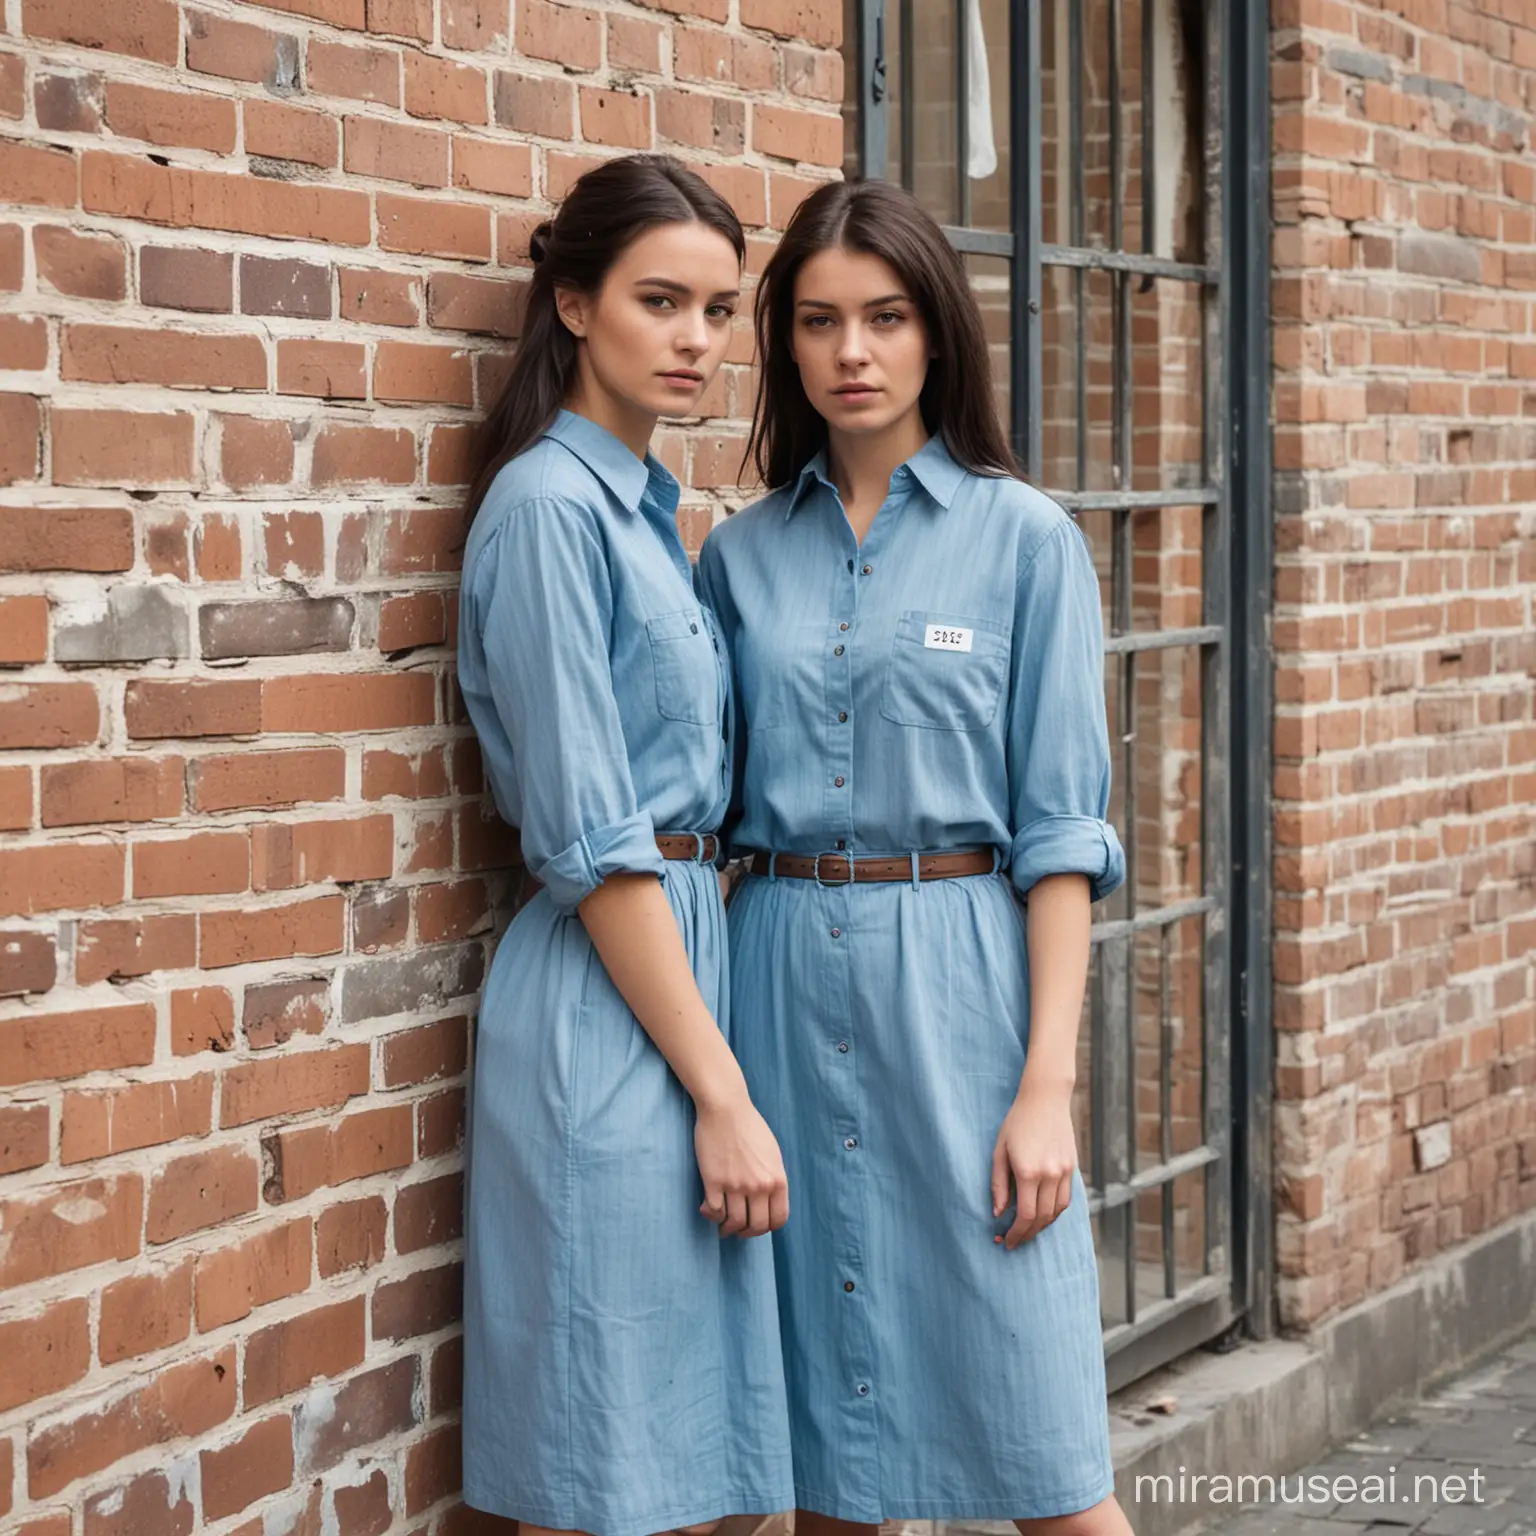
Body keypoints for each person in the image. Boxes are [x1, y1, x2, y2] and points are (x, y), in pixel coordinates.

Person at [697, 177, 1133, 1536]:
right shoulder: (735, 558)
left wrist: (1045, 1087)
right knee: (825, 1459)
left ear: (936, 330)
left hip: (958, 996)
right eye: (819, 323)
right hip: (774, 982)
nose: (853, 353)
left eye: (885, 317)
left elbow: (1061, 838)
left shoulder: (1026, 544)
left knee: (1047, 1457)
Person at [456, 153, 794, 1536]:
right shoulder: (548, 511)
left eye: (721, 311)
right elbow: (595, 838)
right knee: (604, 1470)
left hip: (680, 977)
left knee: (680, 1463)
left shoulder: (654, 520)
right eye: (663, 301)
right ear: (573, 302)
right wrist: (719, 1089)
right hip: (610, 1011)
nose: (698, 341)